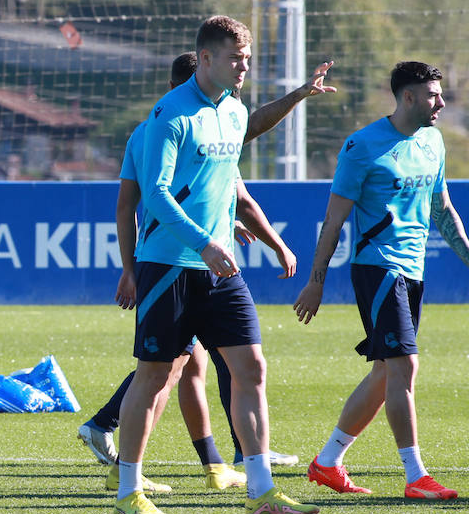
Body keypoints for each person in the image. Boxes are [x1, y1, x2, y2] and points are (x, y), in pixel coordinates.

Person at [79, 51, 335, 485]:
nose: (242, 74)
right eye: (236, 63)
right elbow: (137, 203)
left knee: (216, 366)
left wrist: (222, 221)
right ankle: (126, 465)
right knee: (166, 369)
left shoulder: (226, 116)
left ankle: (240, 475)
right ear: (199, 73)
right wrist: (134, 267)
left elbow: (228, 166)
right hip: (172, 263)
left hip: (214, 267)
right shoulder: (161, 126)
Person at [295, 61, 469, 500]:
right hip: (378, 268)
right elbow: (333, 221)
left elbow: (442, 207)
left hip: (412, 270)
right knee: (405, 365)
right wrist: (316, 280)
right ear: (407, 96)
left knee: (386, 372)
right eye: (433, 95)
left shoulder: (433, 141)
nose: (441, 102)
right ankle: (416, 476)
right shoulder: (361, 146)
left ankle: (327, 463)